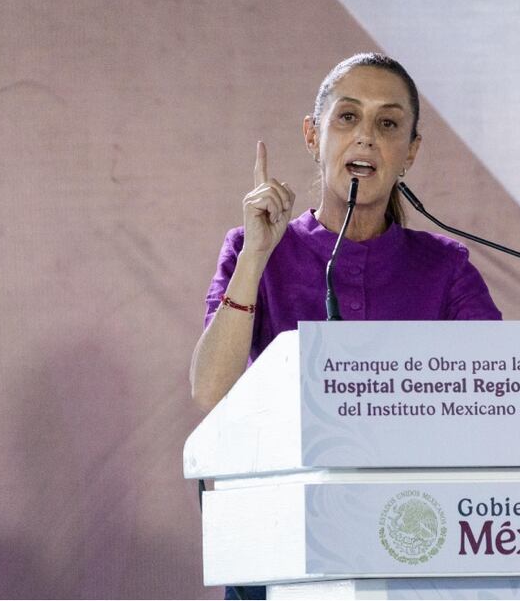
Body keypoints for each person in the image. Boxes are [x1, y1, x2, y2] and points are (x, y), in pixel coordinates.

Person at [189, 53, 502, 599]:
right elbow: (211, 390)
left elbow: (497, 399)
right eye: (347, 117)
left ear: (410, 152)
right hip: (279, 550)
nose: (366, 139)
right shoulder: (254, 251)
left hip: (411, 547)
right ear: (313, 136)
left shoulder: (445, 268)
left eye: (388, 124)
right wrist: (257, 256)